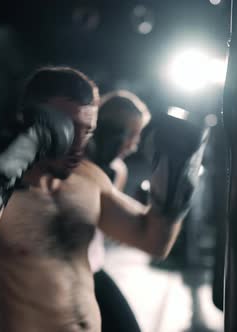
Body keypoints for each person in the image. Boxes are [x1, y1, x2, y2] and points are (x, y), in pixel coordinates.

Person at [0, 66, 208, 332]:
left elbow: (154, 241)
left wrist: (174, 187)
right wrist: (4, 173)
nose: (79, 146)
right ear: (31, 121)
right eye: (68, 129)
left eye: (87, 130)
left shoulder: (90, 178)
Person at [86, 90, 151, 332]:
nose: (134, 145)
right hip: (68, 270)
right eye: (130, 135)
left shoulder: (117, 170)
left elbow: (107, 225)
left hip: (93, 264)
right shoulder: (72, 164)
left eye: (138, 136)